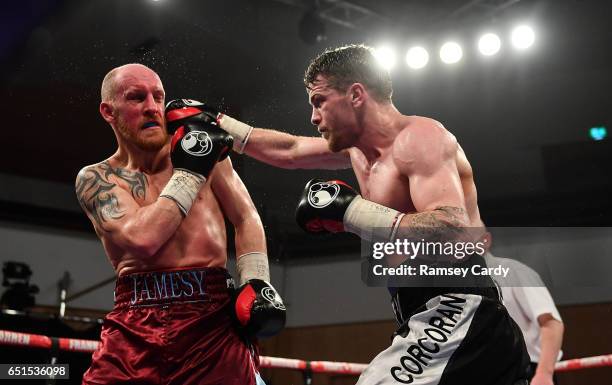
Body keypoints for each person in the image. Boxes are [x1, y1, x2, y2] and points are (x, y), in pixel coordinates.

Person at [192, 44, 530, 384]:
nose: (313, 117)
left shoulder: (420, 138)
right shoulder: (359, 152)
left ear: (355, 94)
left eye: (319, 101)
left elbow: (453, 226)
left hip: (462, 310)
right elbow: (290, 150)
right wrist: (218, 124)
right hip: (428, 315)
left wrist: (352, 212)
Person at [75, 63, 285, 385]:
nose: (152, 107)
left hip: (211, 321)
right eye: (136, 98)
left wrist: (256, 281)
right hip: (135, 322)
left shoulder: (203, 149)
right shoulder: (97, 178)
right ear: (108, 111)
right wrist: (190, 173)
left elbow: (246, 217)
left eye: (158, 97)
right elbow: (144, 239)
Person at [482, 233, 564, 385]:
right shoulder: (461, 280)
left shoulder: (513, 271)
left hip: (527, 370)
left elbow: (551, 323)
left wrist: (543, 374)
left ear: (484, 240)